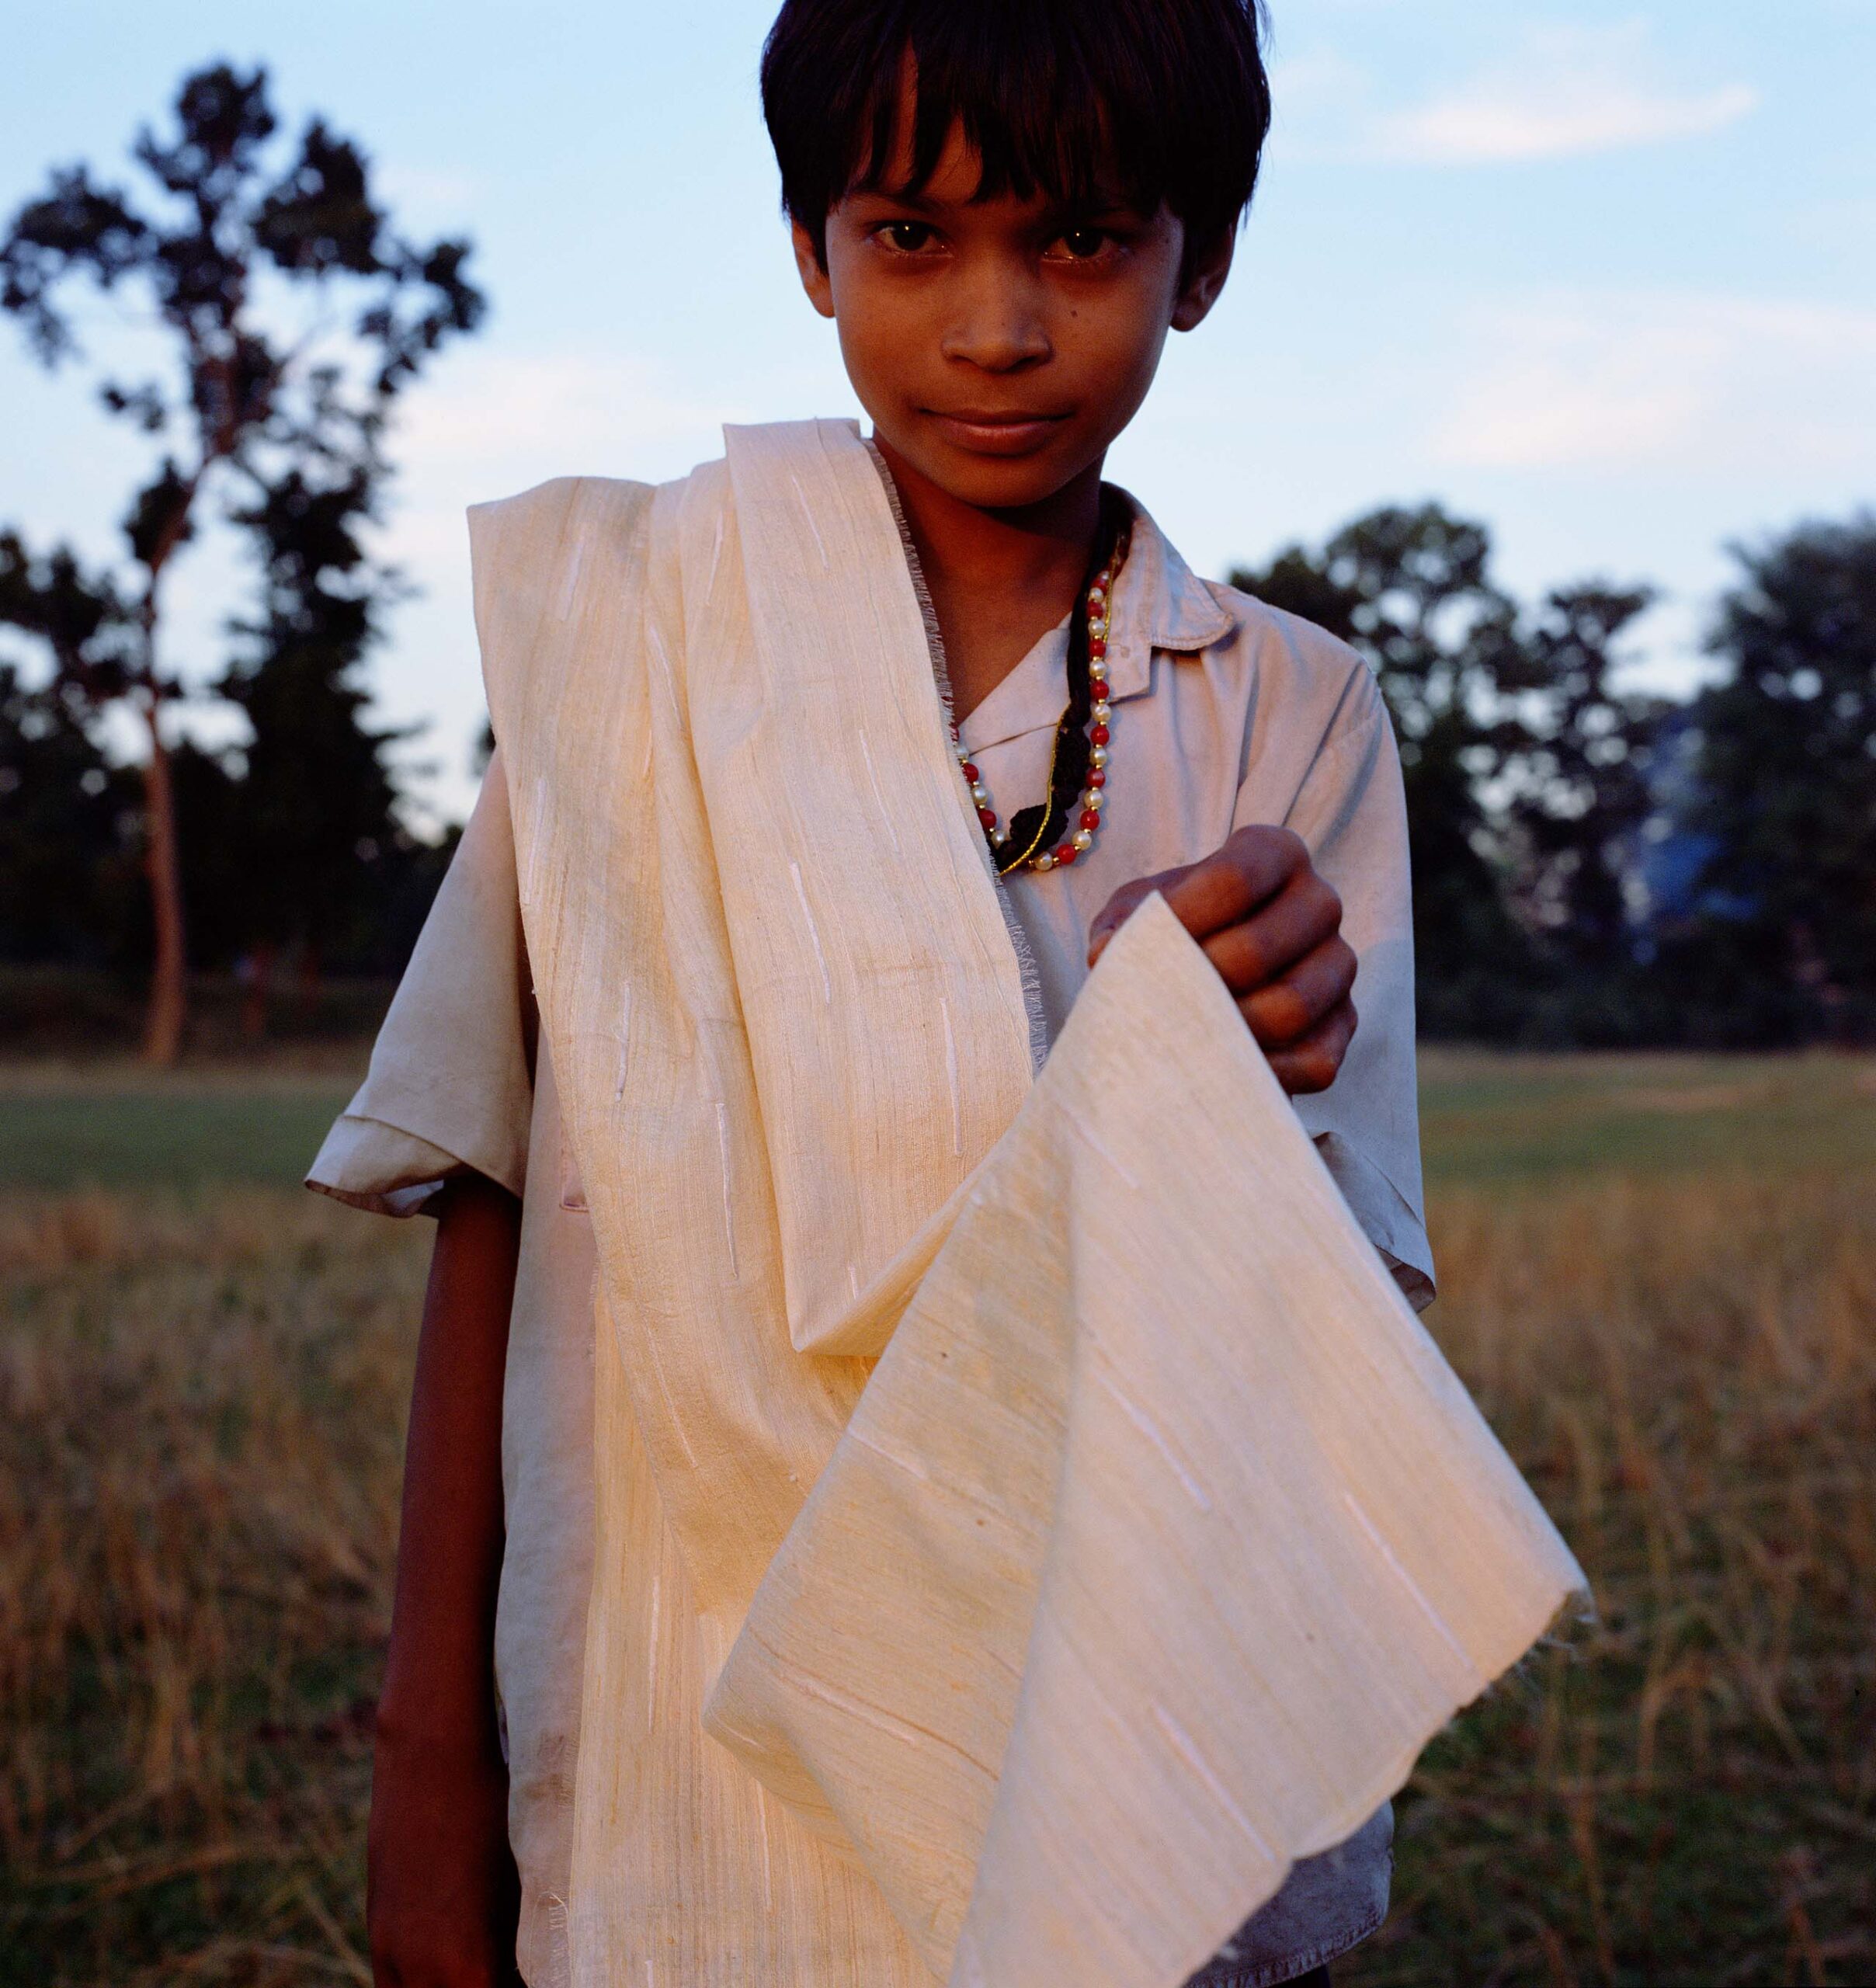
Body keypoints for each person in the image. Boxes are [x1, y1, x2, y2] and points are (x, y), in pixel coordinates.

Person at [309, 2, 1440, 1982]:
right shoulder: (634, 638)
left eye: (1079, 236)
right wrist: (425, 1760)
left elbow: (1327, 1314)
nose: (993, 328)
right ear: (809, 246)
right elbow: (499, 1203)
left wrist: (1209, 1071)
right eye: (911, 234)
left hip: (1130, 1750)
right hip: (682, 1737)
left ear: (1200, 256)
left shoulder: (1285, 706)